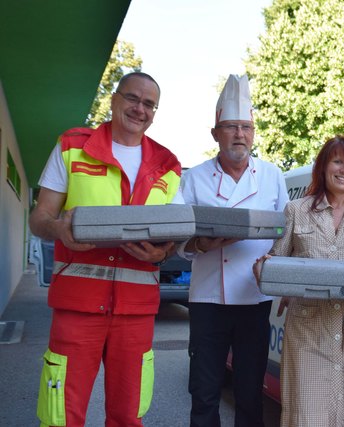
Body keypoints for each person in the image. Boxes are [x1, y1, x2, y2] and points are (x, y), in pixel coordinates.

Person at [29, 72, 183, 427]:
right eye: (132, 98)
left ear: (155, 111)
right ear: (114, 99)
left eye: (149, 104)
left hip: (136, 311)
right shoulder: (72, 146)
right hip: (78, 304)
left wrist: (162, 253)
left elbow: (177, 233)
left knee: (128, 416)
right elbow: (39, 219)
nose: (139, 109)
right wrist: (59, 230)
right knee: (61, 416)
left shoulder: (168, 164)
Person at [254, 135, 344, 427]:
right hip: (308, 327)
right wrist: (265, 268)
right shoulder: (296, 211)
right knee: (308, 412)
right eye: (338, 161)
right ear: (324, 167)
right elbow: (276, 259)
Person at [177, 74, 288, 427]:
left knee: (249, 389)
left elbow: (286, 232)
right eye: (230, 127)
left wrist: (278, 262)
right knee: (204, 389)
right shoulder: (193, 178)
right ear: (215, 133)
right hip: (208, 298)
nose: (239, 134)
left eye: (245, 127)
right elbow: (178, 237)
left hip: (255, 298)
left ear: (253, 133)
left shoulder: (272, 175)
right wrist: (200, 243)